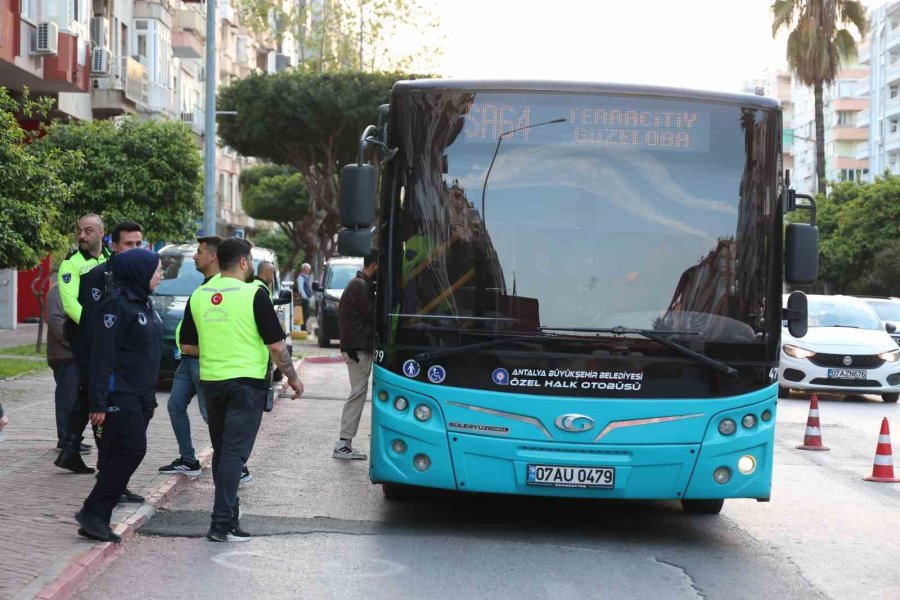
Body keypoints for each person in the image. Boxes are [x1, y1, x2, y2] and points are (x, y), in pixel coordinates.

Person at [179, 238, 303, 542]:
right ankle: (220, 523)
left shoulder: (199, 295)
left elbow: (187, 345)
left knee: (223, 452)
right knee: (235, 453)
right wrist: (293, 378)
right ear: (245, 262)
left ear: (218, 261)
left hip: (212, 382)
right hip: (246, 384)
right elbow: (276, 345)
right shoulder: (254, 294)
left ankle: (229, 517)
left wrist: (217, 345)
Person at [74, 249, 163, 543]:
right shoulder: (116, 306)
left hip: (139, 394)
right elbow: (102, 355)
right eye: (157, 270)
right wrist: (97, 401)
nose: (161, 274)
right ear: (139, 273)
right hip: (119, 392)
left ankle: (96, 514)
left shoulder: (144, 304)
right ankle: (93, 512)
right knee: (132, 449)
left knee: (118, 454)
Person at [53, 214, 112, 474]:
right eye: (79, 230)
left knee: (87, 389)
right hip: (85, 336)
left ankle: (70, 448)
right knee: (91, 387)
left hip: (107, 334)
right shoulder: (71, 265)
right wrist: (97, 327)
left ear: (101, 232)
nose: (82, 236)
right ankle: (76, 448)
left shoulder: (111, 259)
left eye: (88, 231)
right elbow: (70, 304)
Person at [158, 236, 220, 478]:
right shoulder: (203, 287)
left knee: (210, 416)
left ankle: (234, 463)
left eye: (200, 251)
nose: (195, 256)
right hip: (187, 360)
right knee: (175, 406)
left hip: (203, 361)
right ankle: (188, 459)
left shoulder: (219, 289)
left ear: (213, 256)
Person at [334, 251, 378, 460]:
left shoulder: (359, 285)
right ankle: (343, 444)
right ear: (375, 266)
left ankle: (345, 443)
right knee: (358, 393)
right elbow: (373, 314)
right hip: (357, 349)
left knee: (358, 392)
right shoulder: (360, 286)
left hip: (356, 348)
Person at [46, 275, 82, 453]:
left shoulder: (76, 287)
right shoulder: (58, 290)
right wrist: (75, 343)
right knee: (67, 398)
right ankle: (65, 439)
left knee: (76, 399)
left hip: (77, 355)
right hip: (64, 355)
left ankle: (73, 438)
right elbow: (55, 321)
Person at [296, 263, 313, 331]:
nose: (309, 271)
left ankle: (304, 328)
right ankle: (303, 328)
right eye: (308, 269)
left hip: (306, 298)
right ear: (304, 269)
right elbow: (301, 288)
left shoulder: (306, 277)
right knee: (305, 314)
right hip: (303, 299)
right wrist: (305, 297)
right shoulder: (301, 277)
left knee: (306, 314)